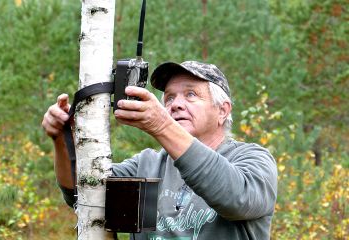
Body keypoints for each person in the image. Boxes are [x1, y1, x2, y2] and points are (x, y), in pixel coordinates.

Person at [42, 60, 278, 240]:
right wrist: (62, 138)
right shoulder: (147, 165)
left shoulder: (252, 159)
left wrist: (161, 126)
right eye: (169, 97)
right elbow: (82, 194)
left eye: (191, 94)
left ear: (222, 110)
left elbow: (237, 199)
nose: (175, 104)